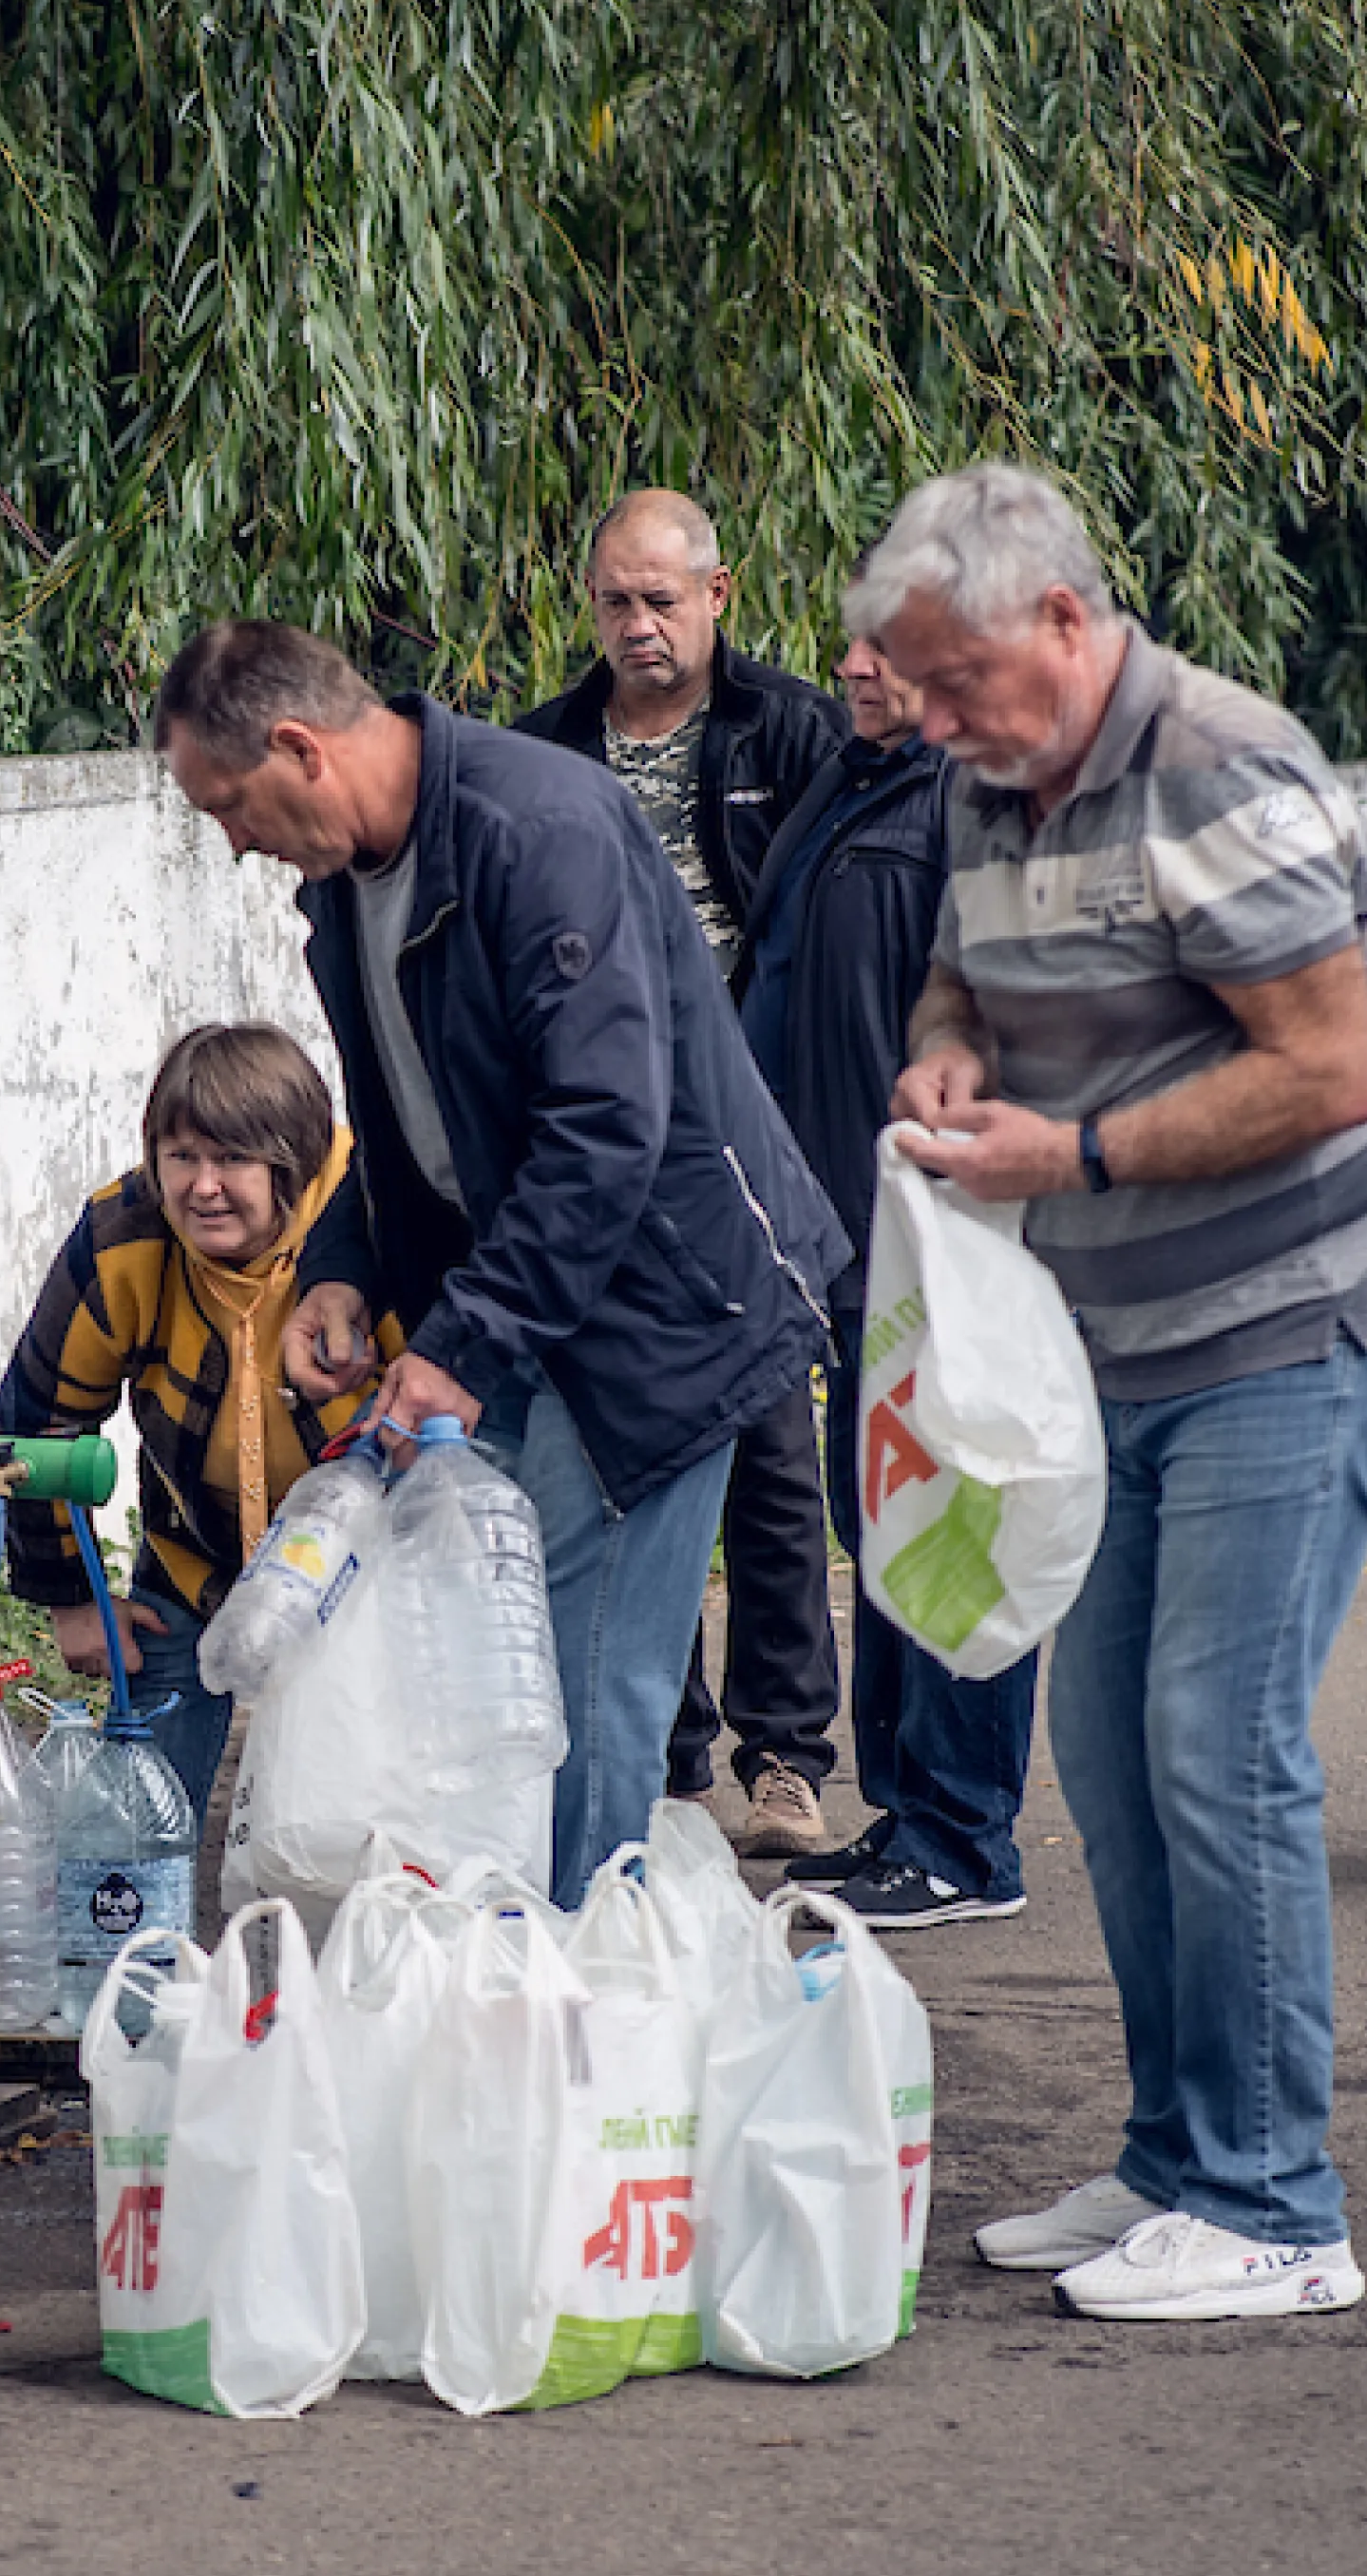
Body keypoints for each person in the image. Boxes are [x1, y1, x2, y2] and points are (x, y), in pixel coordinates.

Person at [864, 465, 1367, 2324]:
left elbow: (1329, 1069)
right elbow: (958, 979)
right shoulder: (995, 778)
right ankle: (1173, 2159)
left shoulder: (1215, 762)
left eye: (955, 681)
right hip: (1118, 1339)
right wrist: (952, 1068)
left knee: (1220, 1747)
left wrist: (1080, 1156)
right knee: (1113, 1766)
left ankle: (1282, 2209)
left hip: (1309, 1312)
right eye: (916, 690)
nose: (936, 723)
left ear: (1063, 619)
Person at [153, 621, 842, 1900]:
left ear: (301, 747)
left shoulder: (539, 832)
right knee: (490, 1668)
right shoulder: (353, 879)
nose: (235, 843)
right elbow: (413, 1118)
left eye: (230, 805)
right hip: (534, 1305)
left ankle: (568, 2023)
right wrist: (346, 1267)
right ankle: (514, 1970)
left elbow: (605, 1132)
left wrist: (459, 1349)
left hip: (663, 1312)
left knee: (573, 1683)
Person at [514, 489, 855, 1839]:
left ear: (720, 593)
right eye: (617, 600)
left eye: (664, 598)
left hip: (748, 1150)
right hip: (598, 1155)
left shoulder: (792, 734)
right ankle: (665, 1748)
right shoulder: (546, 750)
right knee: (625, 1452)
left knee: (773, 1451)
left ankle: (788, 1759)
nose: (640, 625)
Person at [741, 630, 1043, 1927]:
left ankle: (966, 1842)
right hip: (845, 1237)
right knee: (886, 1532)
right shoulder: (858, 780)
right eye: (854, 640)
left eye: (895, 647)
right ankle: (909, 1814)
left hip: (936, 1234)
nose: (855, 664)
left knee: (951, 1534)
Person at [0, 1024, 388, 1823]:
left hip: (369, 1581)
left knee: (363, 1841)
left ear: (296, 1159)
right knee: (129, 1840)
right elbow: (36, 1423)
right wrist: (74, 1597)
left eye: (233, 1160)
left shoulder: (378, 1227)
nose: (203, 1187)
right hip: (192, 1565)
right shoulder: (120, 1237)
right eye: (182, 1158)